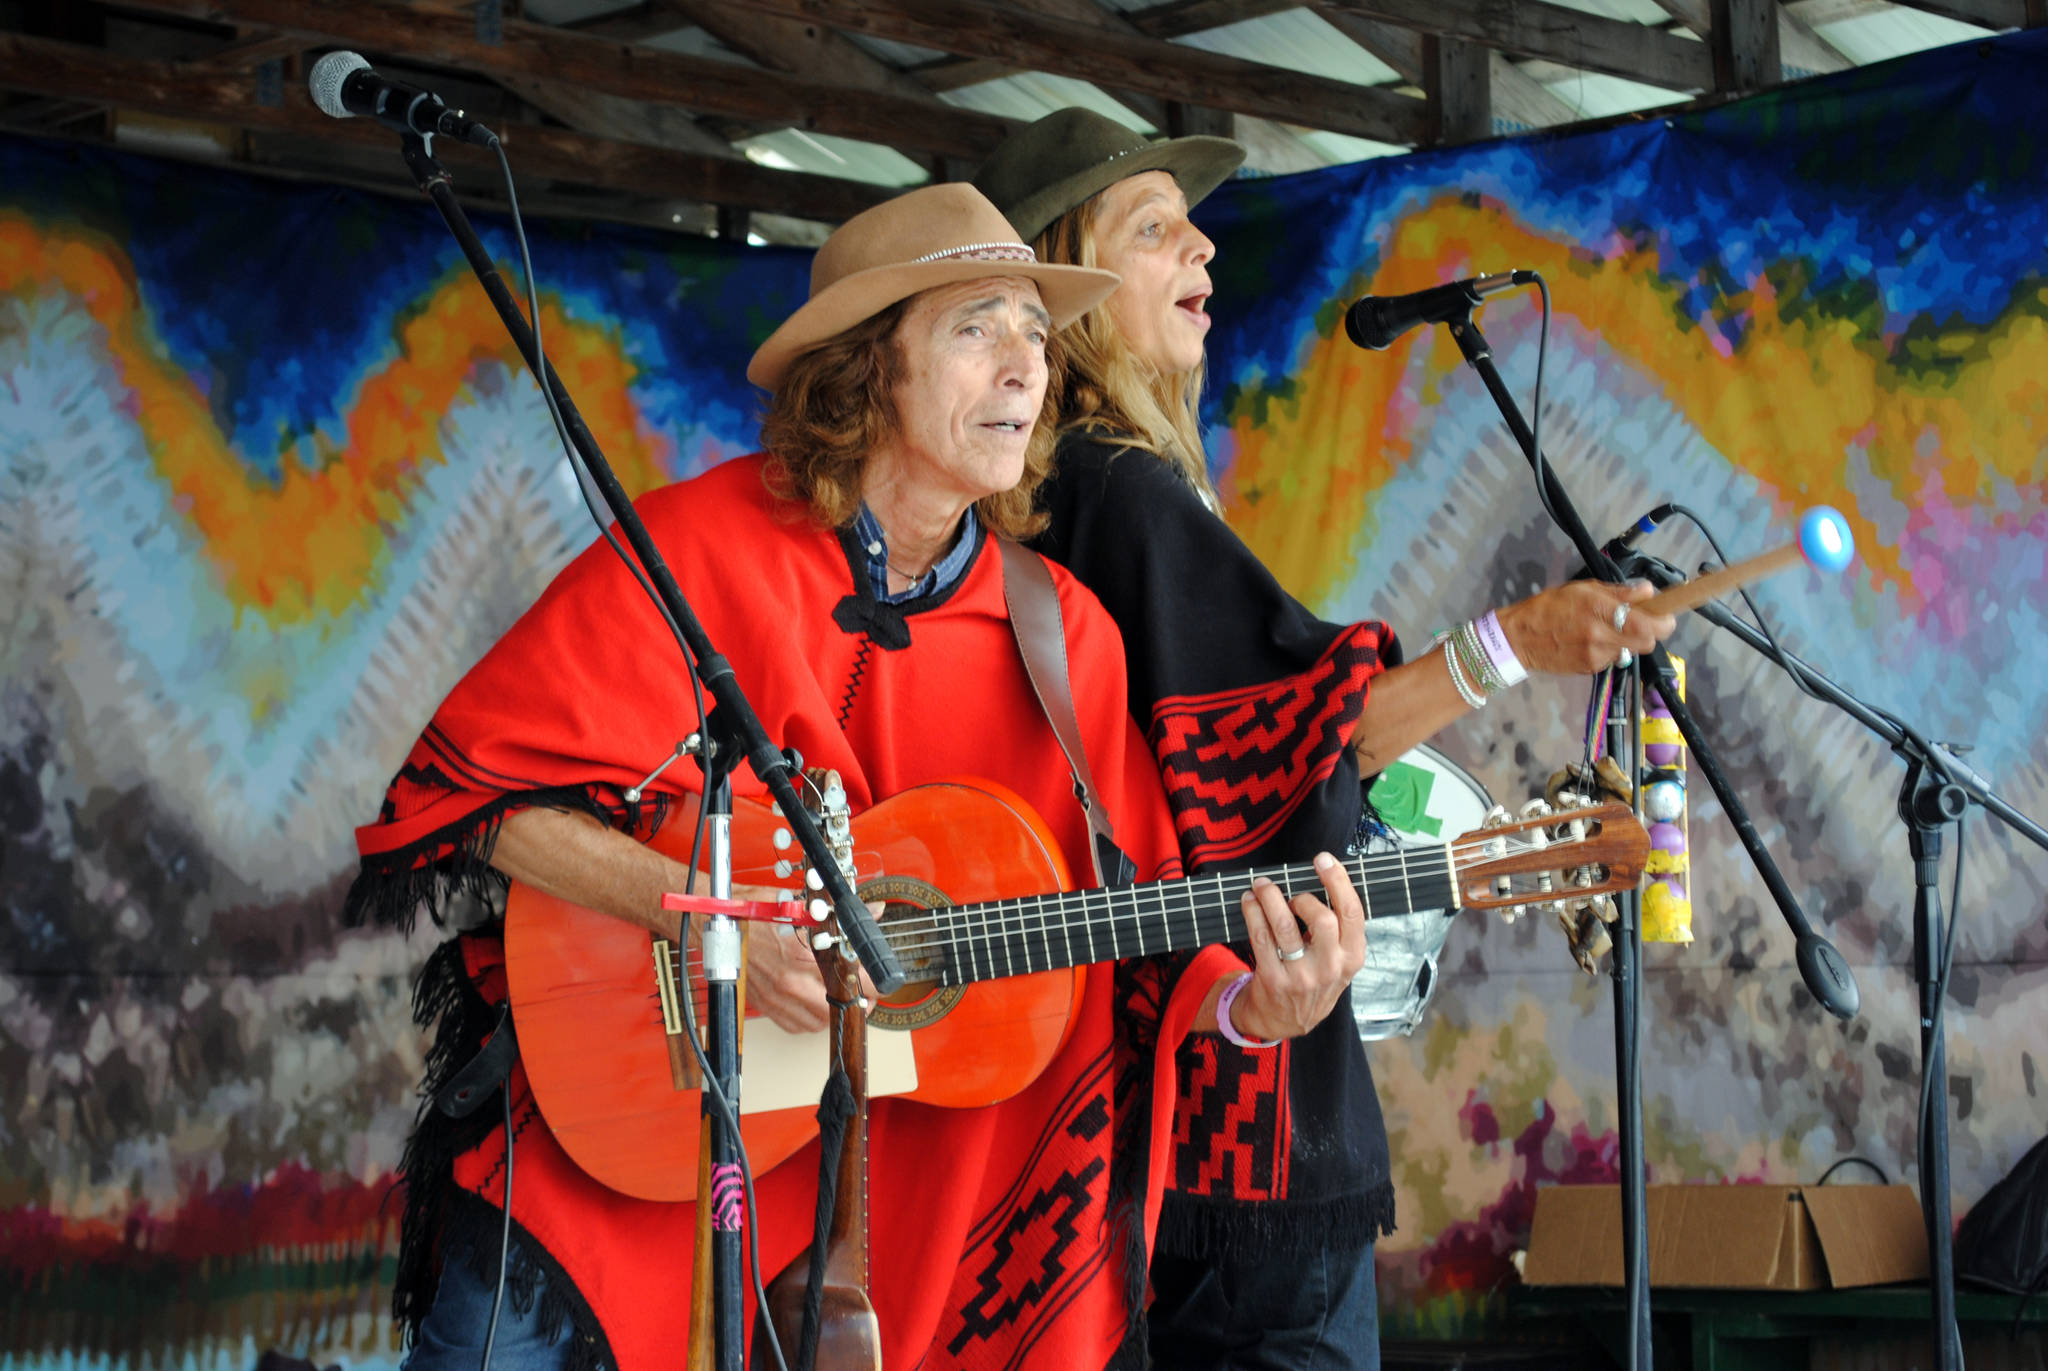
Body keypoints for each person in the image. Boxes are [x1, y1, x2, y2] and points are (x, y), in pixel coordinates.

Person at [343, 182, 1371, 1371]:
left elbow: (1133, 925)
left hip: (900, 1209)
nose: (1024, 367)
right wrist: (698, 922)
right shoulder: (698, 549)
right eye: (976, 327)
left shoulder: (1065, 634)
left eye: (1036, 335)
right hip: (619, 1148)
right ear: (865, 367)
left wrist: (1257, 1010)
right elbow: (482, 801)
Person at [970, 109, 1676, 1370]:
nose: (1201, 248)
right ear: (1062, 287)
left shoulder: (1049, 502)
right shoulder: (1118, 488)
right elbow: (1297, 744)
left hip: (1141, 1111)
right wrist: (1515, 643)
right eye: (1151, 228)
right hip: (1237, 1132)